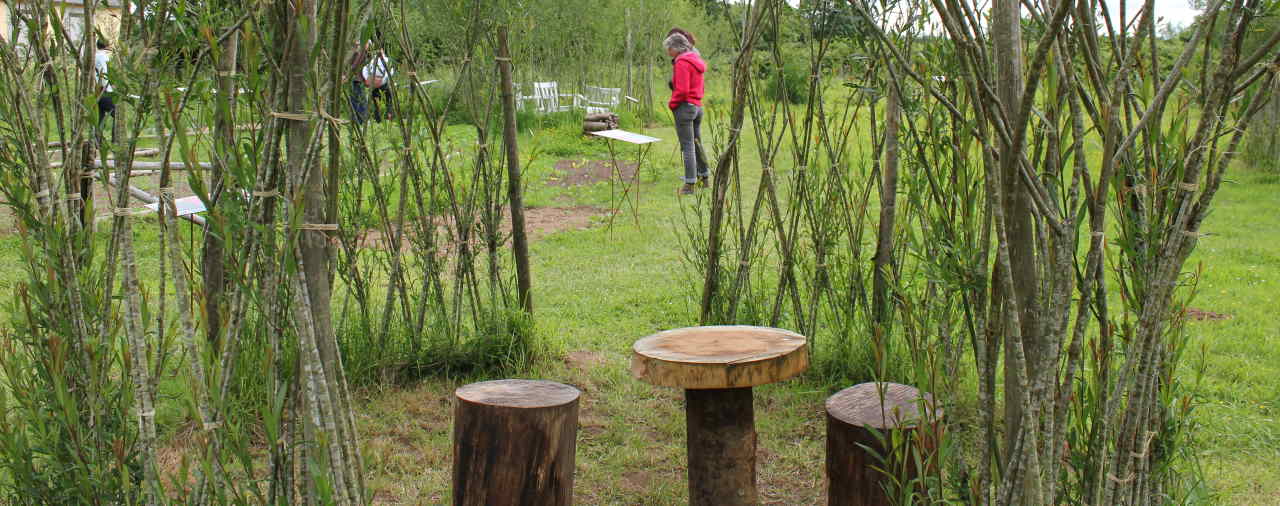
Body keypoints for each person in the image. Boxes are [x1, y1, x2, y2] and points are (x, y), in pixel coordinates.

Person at [665, 32, 708, 195]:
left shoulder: (681, 62)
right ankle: (705, 178)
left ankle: (689, 185)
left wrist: (672, 103)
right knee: (697, 143)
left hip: (685, 107)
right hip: (697, 106)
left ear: (676, 47)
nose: (668, 51)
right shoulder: (696, 60)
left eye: (669, 48)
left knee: (688, 146)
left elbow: (682, 90)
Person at [363, 48, 395, 122]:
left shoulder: (386, 60)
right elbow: (365, 69)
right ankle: (378, 119)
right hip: (374, 85)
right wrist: (368, 79)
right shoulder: (372, 60)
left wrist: (382, 81)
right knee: (377, 103)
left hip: (383, 84)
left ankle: (389, 118)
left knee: (388, 101)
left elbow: (390, 71)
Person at [348, 40, 371, 124]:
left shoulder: (362, 53)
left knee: (359, 100)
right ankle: (358, 119)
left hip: (358, 79)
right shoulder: (360, 52)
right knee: (356, 100)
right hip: (356, 79)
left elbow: (354, 66)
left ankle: (362, 119)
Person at [95, 39, 115, 124]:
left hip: (96, 91)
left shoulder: (94, 56)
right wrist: (110, 87)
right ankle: (116, 137)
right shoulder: (104, 56)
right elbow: (105, 73)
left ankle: (97, 137)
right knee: (118, 116)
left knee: (100, 118)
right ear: (106, 46)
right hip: (104, 91)